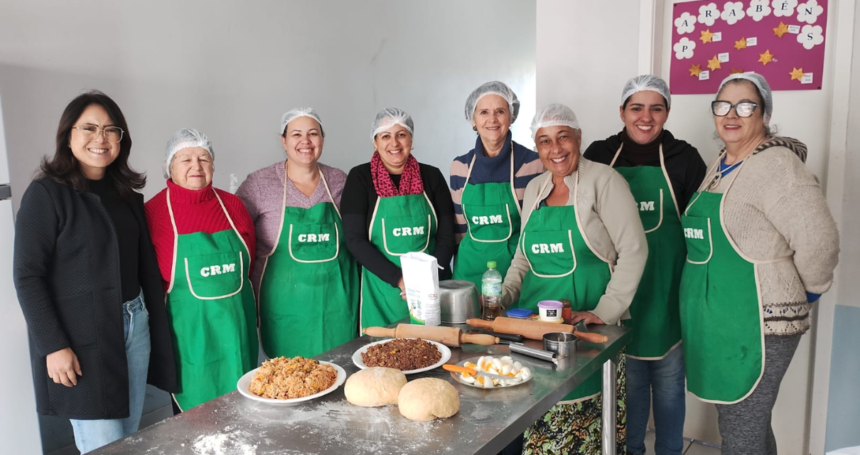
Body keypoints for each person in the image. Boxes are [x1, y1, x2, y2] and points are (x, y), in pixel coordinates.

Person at [679, 72, 839, 455]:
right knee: (748, 422)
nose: (731, 114)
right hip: (723, 320)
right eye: (723, 105)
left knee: (741, 429)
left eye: (745, 105)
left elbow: (820, 240)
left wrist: (806, 293)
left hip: (761, 320)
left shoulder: (777, 165)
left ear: (764, 114)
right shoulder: (722, 164)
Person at [13, 91, 177, 454]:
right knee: (103, 444)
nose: (100, 139)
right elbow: (27, 275)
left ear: (121, 139)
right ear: (68, 135)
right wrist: (53, 346)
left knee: (130, 436)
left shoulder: (127, 195)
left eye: (110, 130)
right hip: (81, 336)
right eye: (89, 128)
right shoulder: (47, 195)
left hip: (135, 325)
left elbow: (144, 267)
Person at [501, 103, 648, 454]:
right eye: (544, 141)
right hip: (535, 331)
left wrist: (607, 309)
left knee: (583, 422)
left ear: (579, 138)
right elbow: (522, 255)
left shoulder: (604, 181)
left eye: (563, 137)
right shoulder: (535, 188)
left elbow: (635, 249)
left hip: (586, 332)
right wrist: (503, 296)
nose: (555, 149)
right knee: (537, 418)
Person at [583, 75, 707, 455]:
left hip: (669, 292)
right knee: (629, 389)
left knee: (670, 392)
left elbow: (701, 230)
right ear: (622, 111)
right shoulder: (600, 155)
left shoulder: (685, 158)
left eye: (657, 108)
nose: (646, 117)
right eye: (636, 107)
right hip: (618, 293)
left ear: (667, 112)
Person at [145, 128, 257, 412]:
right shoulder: (153, 213)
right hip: (189, 341)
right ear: (169, 167)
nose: (196, 166)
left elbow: (250, 261)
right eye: (186, 160)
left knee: (245, 418)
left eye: (204, 159)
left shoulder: (233, 205)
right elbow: (148, 281)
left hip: (236, 334)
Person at [237, 108, 358, 358]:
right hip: (284, 312)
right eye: (296, 134)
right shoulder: (259, 184)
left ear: (322, 139)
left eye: (313, 133)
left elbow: (359, 236)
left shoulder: (340, 181)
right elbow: (236, 237)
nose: (305, 141)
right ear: (283, 141)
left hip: (337, 307)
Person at [343, 108, 455, 328]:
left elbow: (447, 235)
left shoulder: (431, 176)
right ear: (375, 142)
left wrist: (427, 281)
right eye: (385, 136)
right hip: (381, 292)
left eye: (401, 134)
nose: (394, 143)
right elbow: (354, 240)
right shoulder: (360, 178)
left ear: (411, 139)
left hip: (432, 289)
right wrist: (401, 280)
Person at [450, 81, 543, 291]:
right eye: (483, 112)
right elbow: (460, 230)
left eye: (500, 111)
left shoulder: (534, 164)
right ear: (473, 120)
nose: (492, 119)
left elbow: (537, 229)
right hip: (468, 275)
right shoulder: (459, 167)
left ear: (511, 117)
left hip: (516, 277)